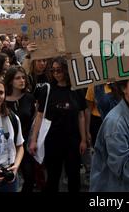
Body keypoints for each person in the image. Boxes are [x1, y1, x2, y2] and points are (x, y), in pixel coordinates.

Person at [29, 57, 87, 192]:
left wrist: (83, 139)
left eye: (59, 70)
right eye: (53, 70)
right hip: (52, 140)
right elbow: (39, 115)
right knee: (53, 177)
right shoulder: (48, 90)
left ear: (66, 71)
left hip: (73, 141)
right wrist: (34, 140)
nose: (56, 73)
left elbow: (81, 115)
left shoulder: (76, 89)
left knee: (74, 176)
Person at [4, 66, 37, 192]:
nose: (22, 80)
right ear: (10, 81)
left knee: (29, 176)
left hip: (26, 143)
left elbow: (34, 120)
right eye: (18, 78)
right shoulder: (1, 100)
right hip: (8, 144)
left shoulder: (29, 97)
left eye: (23, 77)